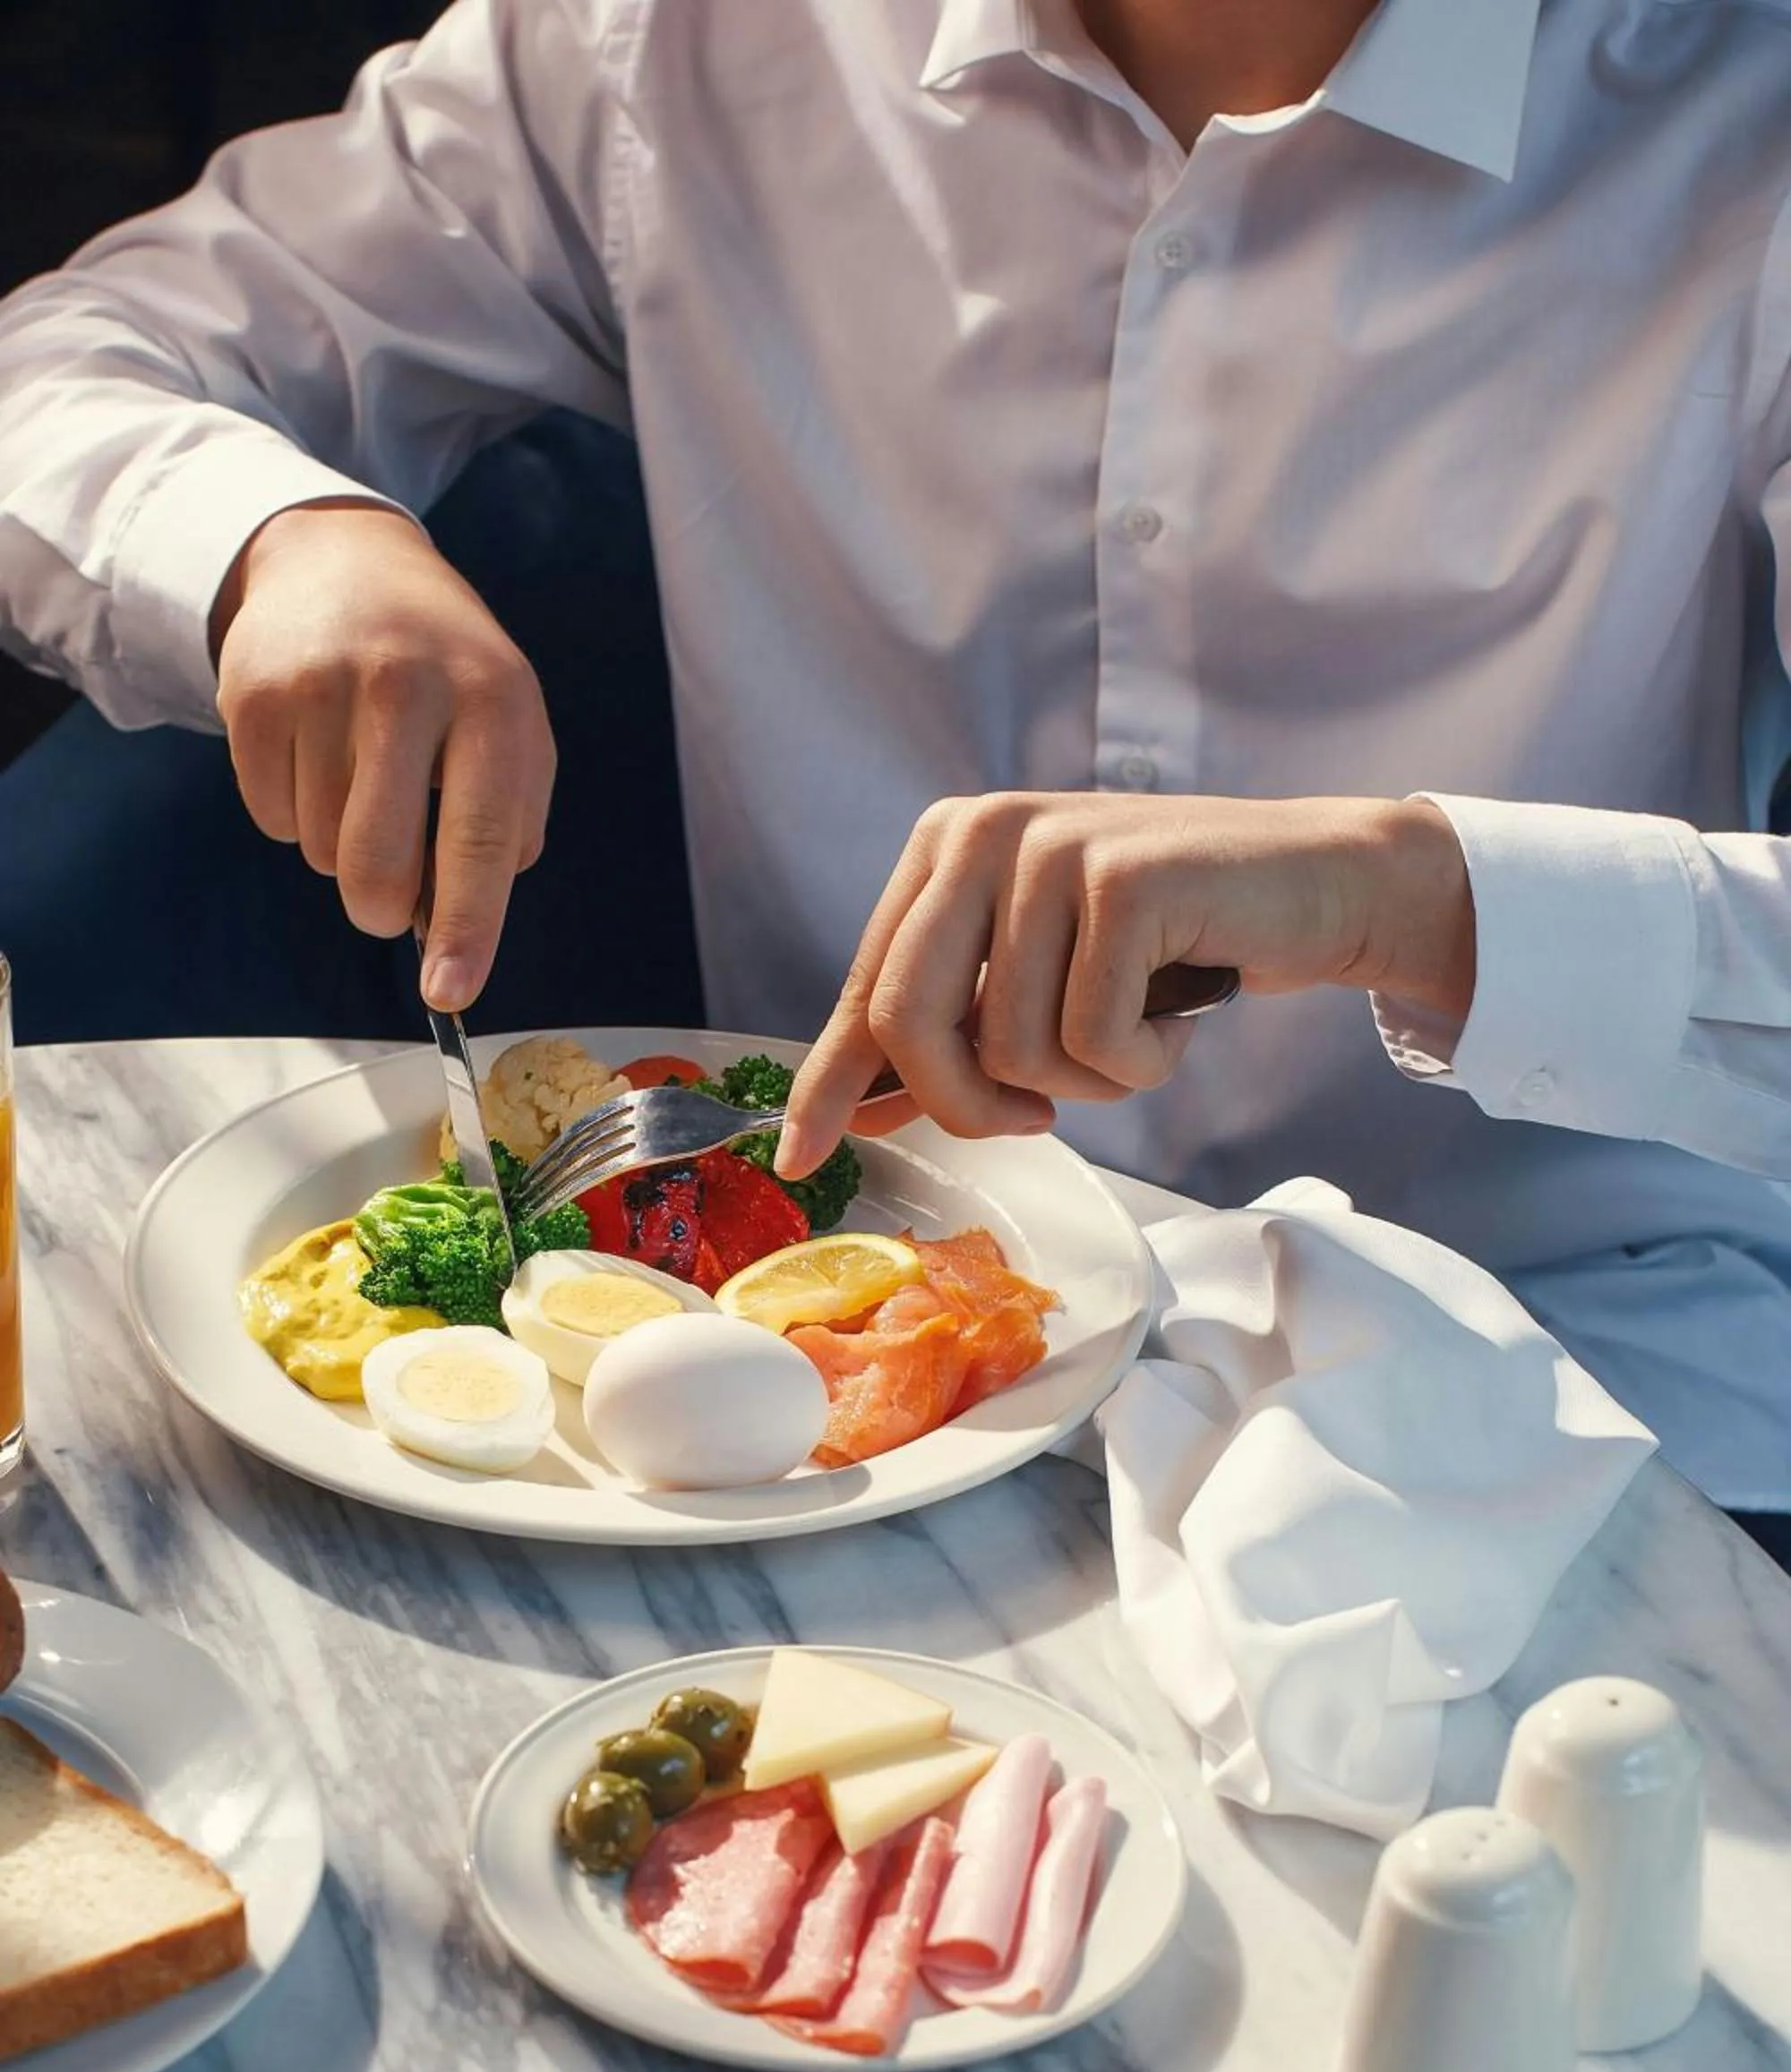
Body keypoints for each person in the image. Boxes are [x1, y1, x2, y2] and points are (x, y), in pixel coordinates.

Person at [2, 0, 1791, 1541]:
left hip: (1570, 1394)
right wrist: (280, 542)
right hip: (803, 1412)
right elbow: (63, 368)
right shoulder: (683, 41)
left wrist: (1406, 899)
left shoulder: (1746, 120)